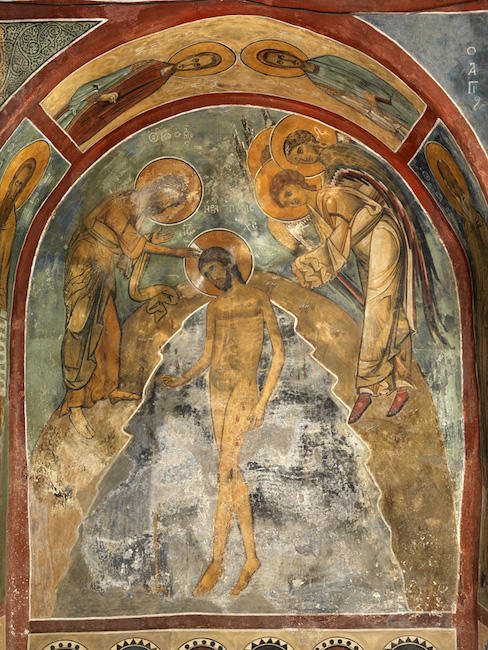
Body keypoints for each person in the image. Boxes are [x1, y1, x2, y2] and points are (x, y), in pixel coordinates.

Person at [160, 246, 284, 597]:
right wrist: (183, 378)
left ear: (229, 264)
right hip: (216, 390)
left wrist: (262, 401)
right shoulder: (213, 307)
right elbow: (208, 355)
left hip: (244, 390)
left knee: (225, 470)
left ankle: (217, 561)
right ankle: (251, 558)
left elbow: (279, 353)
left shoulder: (257, 298)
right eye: (207, 274)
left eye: (215, 269)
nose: (213, 277)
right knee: (231, 473)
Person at [269, 168, 413, 423]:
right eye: (286, 202)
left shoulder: (330, 197)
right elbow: (338, 248)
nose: (292, 201)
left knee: (378, 310)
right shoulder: (317, 212)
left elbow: (339, 240)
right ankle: (401, 382)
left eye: (289, 193)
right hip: (365, 248)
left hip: (381, 234)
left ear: (299, 182)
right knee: (389, 309)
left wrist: (310, 263)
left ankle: (367, 388)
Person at [60, 174, 198, 439]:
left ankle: (108, 388)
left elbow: (127, 245)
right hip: (86, 260)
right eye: (168, 200)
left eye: (172, 204)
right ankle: (75, 403)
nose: (166, 207)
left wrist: (149, 240)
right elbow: (134, 248)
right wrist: (176, 252)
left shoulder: (137, 210)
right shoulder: (123, 203)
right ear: (159, 187)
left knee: (110, 329)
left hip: (103, 264)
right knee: (80, 328)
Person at [55, 52, 223, 146]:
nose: (190, 64)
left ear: (194, 71)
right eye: (194, 59)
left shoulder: (161, 84)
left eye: (197, 66)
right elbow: (107, 80)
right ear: (189, 56)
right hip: (86, 107)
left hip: (99, 118)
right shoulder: (149, 65)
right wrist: (99, 96)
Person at [255, 49, 419, 141]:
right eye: (280, 63)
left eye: (282, 56)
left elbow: (364, 73)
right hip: (375, 107)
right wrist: (373, 108)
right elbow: (349, 102)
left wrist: (380, 94)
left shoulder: (327, 59)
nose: (287, 61)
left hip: (385, 95)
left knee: (413, 120)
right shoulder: (316, 83)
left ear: (287, 52)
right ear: (284, 68)